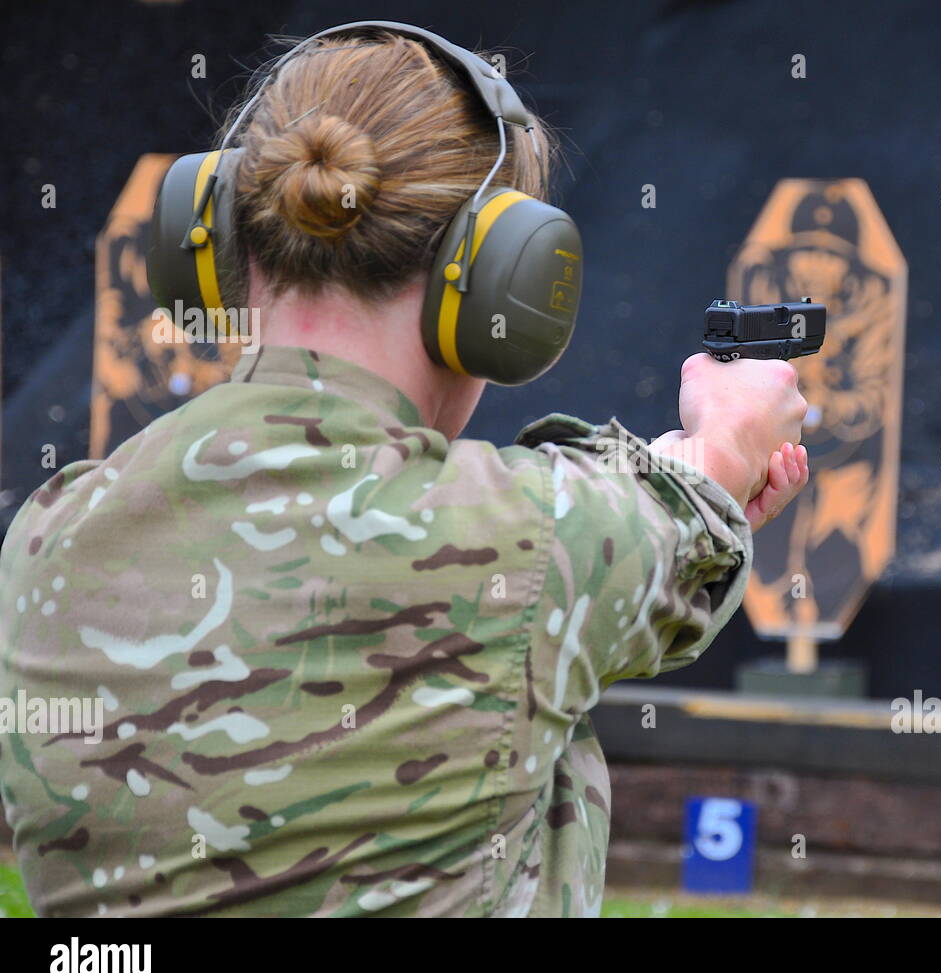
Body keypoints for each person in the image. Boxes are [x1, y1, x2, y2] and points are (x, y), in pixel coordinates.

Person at [0, 28, 807, 917]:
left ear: (215, 239)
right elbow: (672, 511)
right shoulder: (529, 542)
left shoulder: (47, 539)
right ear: (502, 280)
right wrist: (728, 436)